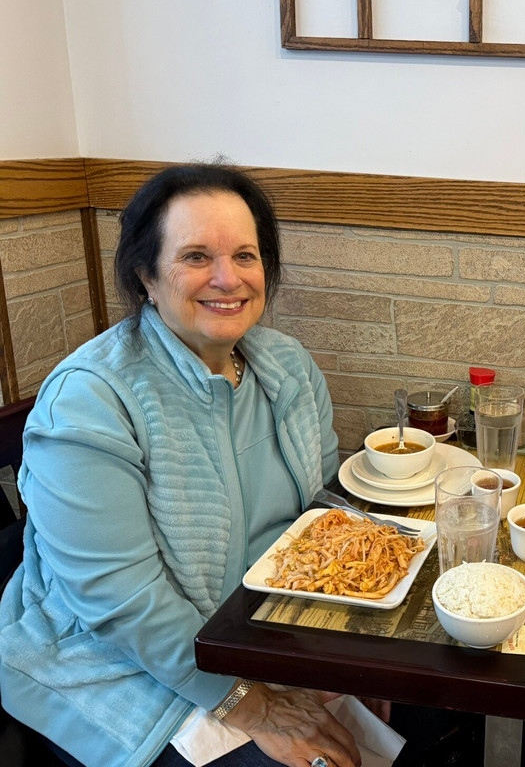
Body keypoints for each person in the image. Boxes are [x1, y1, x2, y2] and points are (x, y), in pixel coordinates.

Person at [0, 164, 372, 767]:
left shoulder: (288, 367)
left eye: (245, 256)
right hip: (118, 663)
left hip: (260, 633)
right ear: (146, 275)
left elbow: (323, 520)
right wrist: (255, 706)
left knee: (424, 708)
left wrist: (345, 653)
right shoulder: (89, 403)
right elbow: (124, 604)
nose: (228, 278)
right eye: (196, 256)